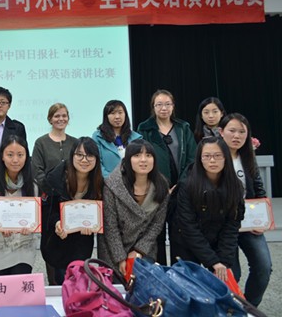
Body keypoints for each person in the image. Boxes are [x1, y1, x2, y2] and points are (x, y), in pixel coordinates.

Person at [171, 136, 245, 283]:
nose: (212, 160)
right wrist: (212, 261)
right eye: (207, 156)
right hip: (186, 241)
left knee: (230, 277)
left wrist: (223, 261)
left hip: (218, 239)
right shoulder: (187, 185)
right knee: (187, 282)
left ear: (226, 157)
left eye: (217, 156)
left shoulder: (235, 186)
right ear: (199, 159)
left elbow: (232, 226)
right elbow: (188, 227)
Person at [137, 89, 196, 264]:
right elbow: (142, 159)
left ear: (173, 106)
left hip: (181, 190)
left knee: (180, 237)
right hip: (155, 190)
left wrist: (180, 185)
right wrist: (160, 185)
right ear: (153, 107)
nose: (164, 108)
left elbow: (192, 159)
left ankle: (179, 275)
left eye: (167, 104)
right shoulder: (145, 128)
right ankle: (160, 275)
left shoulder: (183, 128)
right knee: (157, 236)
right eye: (159, 104)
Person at [98, 139, 169, 277]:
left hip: (144, 250)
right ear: (128, 159)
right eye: (137, 155)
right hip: (113, 251)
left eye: (148, 155)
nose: (143, 160)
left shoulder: (161, 185)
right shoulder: (112, 185)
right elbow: (110, 227)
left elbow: (156, 225)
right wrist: (120, 258)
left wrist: (139, 251)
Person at [220, 113, 271, 306]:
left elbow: (259, 190)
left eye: (242, 132)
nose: (237, 136)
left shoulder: (248, 157)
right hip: (223, 225)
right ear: (221, 132)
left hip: (249, 222)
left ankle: (250, 307)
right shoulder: (213, 156)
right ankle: (229, 309)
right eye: (232, 130)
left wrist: (263, 220)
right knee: (232, 273)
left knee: (263, 267)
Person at [41, 137, 104, 284]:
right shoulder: (55, 178)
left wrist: (93, 225)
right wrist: (57, 222)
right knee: (61, 283)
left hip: (82, 242)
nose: (84, 160)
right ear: (72, 156)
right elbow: (46, 209)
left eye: (89, 155)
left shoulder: (99, 183)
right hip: (58, 241)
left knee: (79, 282)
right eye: (79, 155)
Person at [0, 135, 39, 276]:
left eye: (20, 155)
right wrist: (1, 227)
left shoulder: (32, 185)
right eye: (10, 155)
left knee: (19, 287)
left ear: (26, 157)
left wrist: (30, 227)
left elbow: (34, 219)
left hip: (23, 246)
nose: (15, 160)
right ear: (2, 156)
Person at [31, 103, 76, 193]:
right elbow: (37, 170)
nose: (61, 119)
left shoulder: (75, 142)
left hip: (72, 192)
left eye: (64, 116)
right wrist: (50, 187)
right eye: (57, 116)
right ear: (50, 119)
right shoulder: (41, 142)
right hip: (48, 193)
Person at [92, 100, 142, 178]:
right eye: (113, 113)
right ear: (106, 116)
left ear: (125, 115)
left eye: (120, 112)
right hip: (107, 181)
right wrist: (111, 180)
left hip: (132, 181)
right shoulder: (98, 136)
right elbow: (97, 163)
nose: (117, 117)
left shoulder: (136, 137)